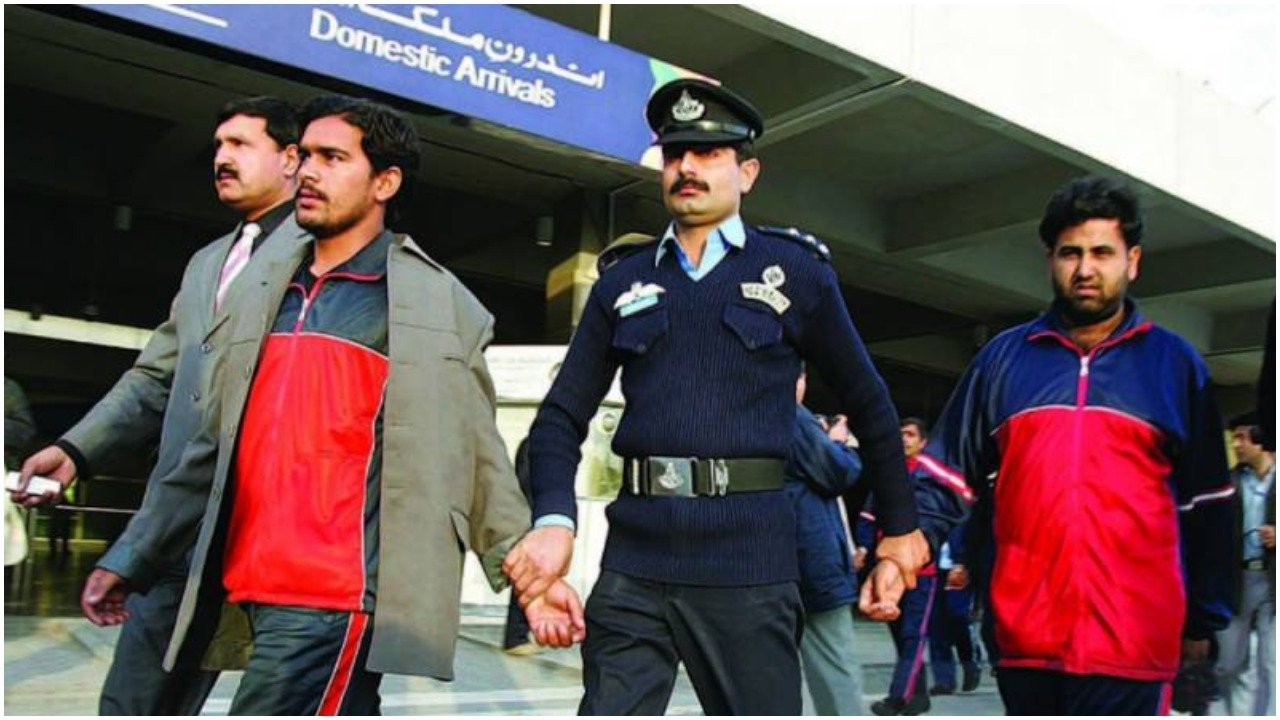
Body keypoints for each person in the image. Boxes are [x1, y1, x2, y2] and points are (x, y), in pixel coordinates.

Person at [78, 95, 583, 715]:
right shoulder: (261, 293)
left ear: (384, 182)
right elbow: (211, 447)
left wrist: (529, 579)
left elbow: (473, 454)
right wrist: (134, 555)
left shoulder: (427, 304)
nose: (309, 172)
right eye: (306, 156)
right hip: (247, 586)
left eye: (333, 158)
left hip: (333, 598)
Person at [505, 77, 961, 715]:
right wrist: (555, 519)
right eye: (675, 153)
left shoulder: (797, 272)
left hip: (748, 567)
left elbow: (870, 403)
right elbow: (560, 418)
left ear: (747, 173)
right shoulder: (622, 282)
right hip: (635, 562)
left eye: (708, 153)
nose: (687, 167)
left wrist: (900, 528)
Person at [11, 97, 306, 715]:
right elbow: (155, 375)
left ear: (289, 158)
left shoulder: (317, 256)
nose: (221, 158)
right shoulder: (207, 262)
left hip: (265, 528)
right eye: (218, 145)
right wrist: (76, 450)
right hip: (179, 528)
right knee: (135, 698)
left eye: (240, 144)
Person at [920, 175, 1236, 714]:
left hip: (1135, 646)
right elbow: (945, 472)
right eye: (1071, 253)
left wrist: (1203, 621)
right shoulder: (1002, 360)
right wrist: (902, 546)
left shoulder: (1175, 365)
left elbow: (1209, 506)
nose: (1085, 269)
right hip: (1025, 643)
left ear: (1132, 260)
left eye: (1102, 253)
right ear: (1051, 259)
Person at [869, 417, 970, 716]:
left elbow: (954, 519)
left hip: (922, 573)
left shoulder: (934, 477)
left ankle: (898, 697)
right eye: (901, 434)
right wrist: (863, 546)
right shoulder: (890, 475)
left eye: (910, 435)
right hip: (889, 567)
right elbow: (868, 514)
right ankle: (918, 696)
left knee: (914, 635)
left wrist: (960, 560)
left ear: (924, 442)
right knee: (901, 635)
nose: (904, 439)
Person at [786, 371, 866, 715]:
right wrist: (837, 442)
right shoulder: (792, 415)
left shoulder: (743, 415)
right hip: (812, 563)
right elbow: (838, 472)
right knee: (835, 667)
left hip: (770, 564)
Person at [1216, 412, 1275, 716]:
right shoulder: (1229, 483)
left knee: (1272, 663)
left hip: (1272, 580)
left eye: (1242, 437)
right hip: (1237, 579)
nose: (1236, 445)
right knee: (1228, 662)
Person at [927, 524, 981, 696]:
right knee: (936, 625)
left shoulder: (965, 513)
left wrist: (967, 563)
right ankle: (944, 680)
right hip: (934, 572)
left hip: (961, 569)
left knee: (959, 618)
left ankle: (970, 663)